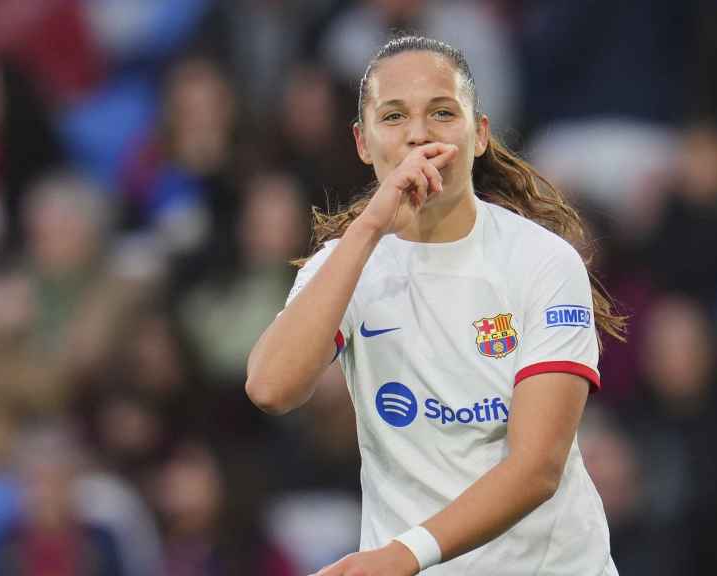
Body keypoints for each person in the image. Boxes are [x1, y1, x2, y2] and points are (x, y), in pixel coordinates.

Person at [246, 35, 624, 576]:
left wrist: (404, 554)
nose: (419, 134)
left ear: (480, 134)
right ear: (362, 142)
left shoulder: (542, 261)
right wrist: (369, 228)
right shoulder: (348, 264)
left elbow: (538, 467)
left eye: (442, 113)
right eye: (393, 116)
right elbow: (270, 388)